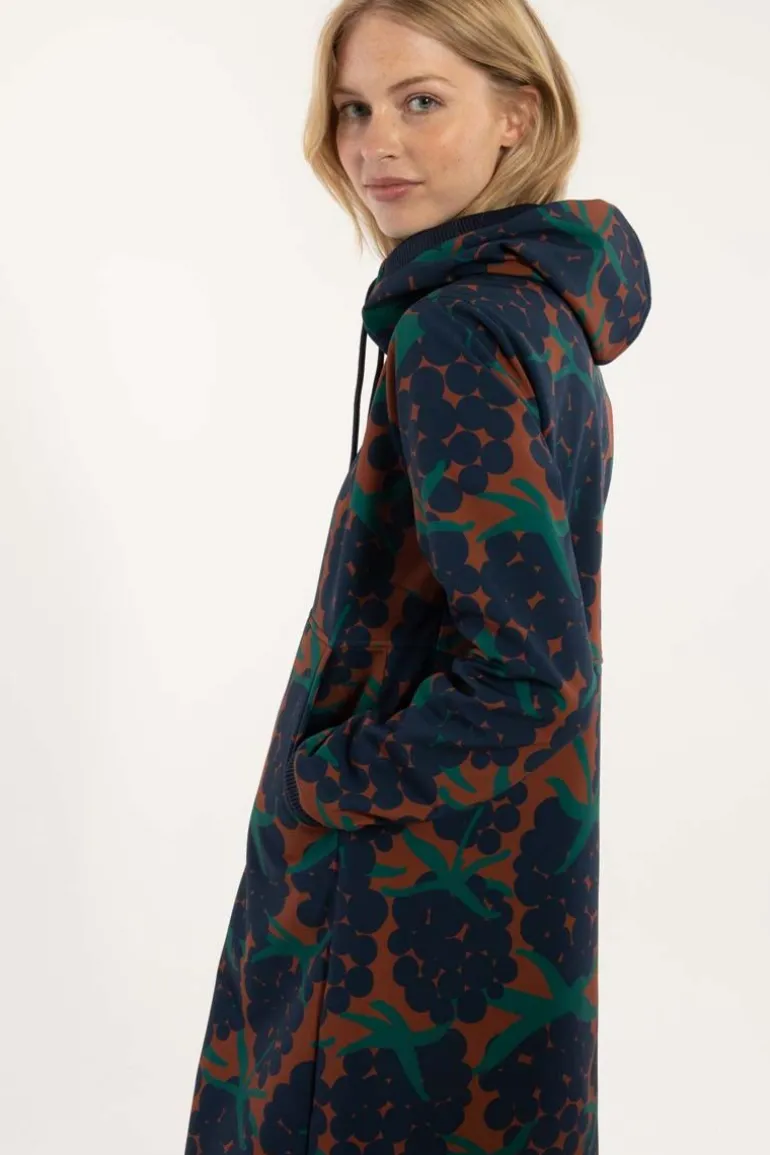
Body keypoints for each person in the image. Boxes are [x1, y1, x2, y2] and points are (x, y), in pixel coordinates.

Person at [184, 1, 652, 1152]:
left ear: (515, 115)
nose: (373, 143)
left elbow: (531, 672)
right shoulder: (538, 318)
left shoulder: (457, 331)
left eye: (420, 101)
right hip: (498, 892)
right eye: (352, 108)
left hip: (388, 923)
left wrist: (328, 781)